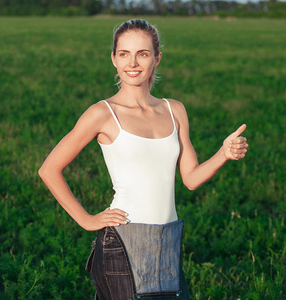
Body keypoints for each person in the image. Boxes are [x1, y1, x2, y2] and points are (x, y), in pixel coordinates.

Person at [38, 19, 248, 300]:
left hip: (167, 241)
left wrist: (223, 153)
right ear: (113, 59)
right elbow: (49, 169)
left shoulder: (174, 110)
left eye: (143, 54)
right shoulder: (102, 113)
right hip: (122, 242)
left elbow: (191, 179)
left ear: (157, 58)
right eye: (124, 54)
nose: (132, 63)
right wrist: (86, 219)